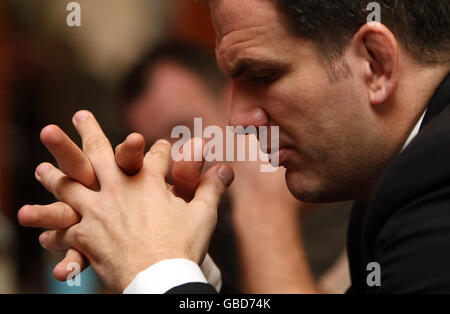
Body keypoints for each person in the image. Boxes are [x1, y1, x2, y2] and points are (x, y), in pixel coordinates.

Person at [19, 0, 450, 293]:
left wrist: (155, 269)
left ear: (375, 63)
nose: (239, 121)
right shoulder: (388, 186)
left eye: (262, 75)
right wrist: (186, 265)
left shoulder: (433, 176)